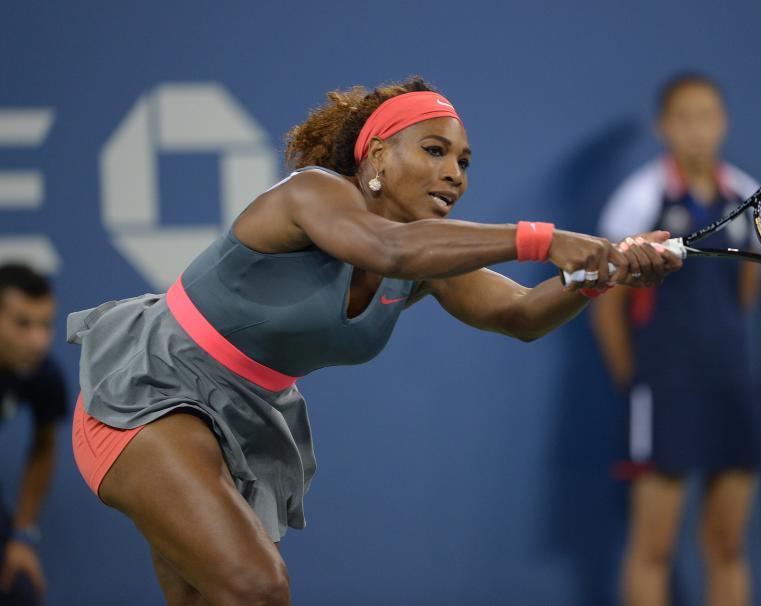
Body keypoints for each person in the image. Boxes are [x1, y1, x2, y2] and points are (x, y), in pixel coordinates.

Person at [66, 77, 682, 605]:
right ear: (377, 159)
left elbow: (519, 313)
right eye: (436, 150)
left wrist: (602, 275)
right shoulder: (312, 193)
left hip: (244, 418)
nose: (453, 173)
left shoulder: (423, 256)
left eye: (464, 162)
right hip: (153, 390)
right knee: (257, 588)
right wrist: (543, 240)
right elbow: (383, 246)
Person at [592, 73, 761, 606]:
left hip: (732, 385)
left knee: (728, 546)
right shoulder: (638, 200)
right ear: (663, 127)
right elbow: (607, 305)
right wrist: (640, 381)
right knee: (653, 547)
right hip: (664, 387)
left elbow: (745, 289)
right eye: (684, 118)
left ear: (724, 123)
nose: (697, 130)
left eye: (708, 117)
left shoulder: (745, 195)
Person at [0, 264, 67, 606]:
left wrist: (21, 535)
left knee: (19, 592)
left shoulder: (42, 375)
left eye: (45, 325)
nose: (38, 340)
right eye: (22, 323)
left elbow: (44, 448)